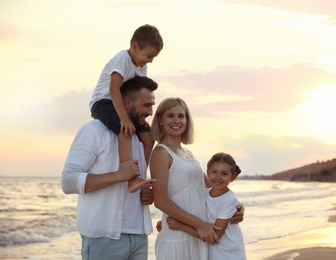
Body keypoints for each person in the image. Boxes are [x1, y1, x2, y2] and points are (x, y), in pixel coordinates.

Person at [62, 76, 158, 260]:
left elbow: (135, 183)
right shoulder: (94, 131)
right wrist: (118, 176)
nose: (150, 112)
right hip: (103, 238)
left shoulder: (139, 139)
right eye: (146, 105)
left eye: (152, 106)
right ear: (127, 102)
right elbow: (68, 181)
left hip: (139, 236)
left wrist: (145, 194)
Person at [149, 98, 244, 260]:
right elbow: (160, 201)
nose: (176, 121)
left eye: (181, 116)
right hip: (179, 236)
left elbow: (213, 190)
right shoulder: (161, 153)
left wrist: (237, 207)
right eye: (170, 116)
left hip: (198, 235)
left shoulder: (188, 154)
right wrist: (200, 225)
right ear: (160, 120)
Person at [89, 24, 163, 192]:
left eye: (154, 58)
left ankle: (141, 176)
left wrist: (141, 119)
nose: (150, 60)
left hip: (123, 105)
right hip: (103, 103)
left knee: (148, 136)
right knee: (125, 131)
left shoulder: (142, 67)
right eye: (149, 55)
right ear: (135, 47)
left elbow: (139, 94)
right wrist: (124, 119)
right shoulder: (123, 58)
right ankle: (131, 179)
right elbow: (113, 88)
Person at [166, 152, 247, 260]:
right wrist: (165, 222)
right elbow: (191, 211)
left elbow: (215, 236)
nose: (218, 177)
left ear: (233, 177)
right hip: (212, 253)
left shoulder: (229, 199)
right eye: (214, 172)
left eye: (224, 174)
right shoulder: (203, 193)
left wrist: (180, 226)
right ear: (207, 172)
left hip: (230, 253)